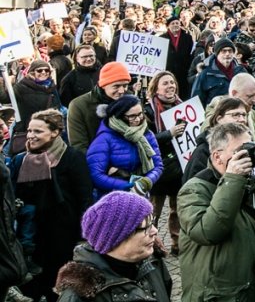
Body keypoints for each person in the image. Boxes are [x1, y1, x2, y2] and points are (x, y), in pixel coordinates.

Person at [178, 122, 255, 302]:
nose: (249, 156)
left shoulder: (251, 181)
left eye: (251, 148)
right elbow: (207, 232)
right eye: (241, 151)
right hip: (222, 293)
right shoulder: (193, 190)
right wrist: (232, 179)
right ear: (218, 157)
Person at [12, 107, 93, 301]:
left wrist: (84, 236)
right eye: (30, 130)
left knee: (58, 287)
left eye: (38, 131)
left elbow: (84, 199)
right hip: (31, 237)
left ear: (55, 132)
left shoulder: (72, 158)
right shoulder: (21, 160)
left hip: (63, 235)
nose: (31, 135)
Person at [54, 190, 172, 302]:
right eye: (144, 227)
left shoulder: (153, 261)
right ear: (116, 238)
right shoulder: (80, 296)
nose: (155, 231)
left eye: (152, 222)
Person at [86, 94, 163, 198]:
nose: (138, 119)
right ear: (119, 116)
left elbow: (158, 166)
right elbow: (96, 175)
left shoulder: (147, 134)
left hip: (140, 195)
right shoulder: (104, 139)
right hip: (112, 198)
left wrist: (145, 182)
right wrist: (128, 186)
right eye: (132, 116)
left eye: (140, 114)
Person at [143, 72, 185, 255]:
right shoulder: (148, 111)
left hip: (178, 165)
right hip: (158, 167)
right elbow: (146, 139)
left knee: (177, 209)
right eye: (165, 83)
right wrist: (169, 134)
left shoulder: (183, 107)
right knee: (154, 211)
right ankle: (151, 244)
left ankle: (177, 243)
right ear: (156, 88)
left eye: (172, 82)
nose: (170, 86)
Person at [68, 61, 132, 155]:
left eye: (125, 85)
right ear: (103, 85)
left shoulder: (130, 100)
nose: (122, 91)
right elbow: (78, 146)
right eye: (116, 86)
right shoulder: (79, 105)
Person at [1, 60, 63, 154]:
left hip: (48, 129)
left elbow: (58, 105)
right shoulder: (23, 86)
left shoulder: (52, 86)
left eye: (46, 70)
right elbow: (5, 98)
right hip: (27, 130)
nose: (43, 72)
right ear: (32, 72)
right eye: (39, 70)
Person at [181, 97, 248, 183]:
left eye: (244, 115)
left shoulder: (248, 145)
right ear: (219, 119)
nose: (242, 120)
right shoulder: (203, 151)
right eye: (235, 115)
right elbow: (191, 189)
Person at [191, 38, 244, 107]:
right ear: (217, 53)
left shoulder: (241, 71)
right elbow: (196, 101)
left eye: (230, 51)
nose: (227, 54)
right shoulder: (205, 74)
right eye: (224, 51)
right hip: (215, 114)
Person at [161, 15, 195, 100]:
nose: (175, 25)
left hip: (183, 71)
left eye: (177, 23)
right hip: (168, 70)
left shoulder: (187, 37)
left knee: (183, 94)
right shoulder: (162, 38)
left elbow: (190, 53)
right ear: (168, 26)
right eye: (173, 23)